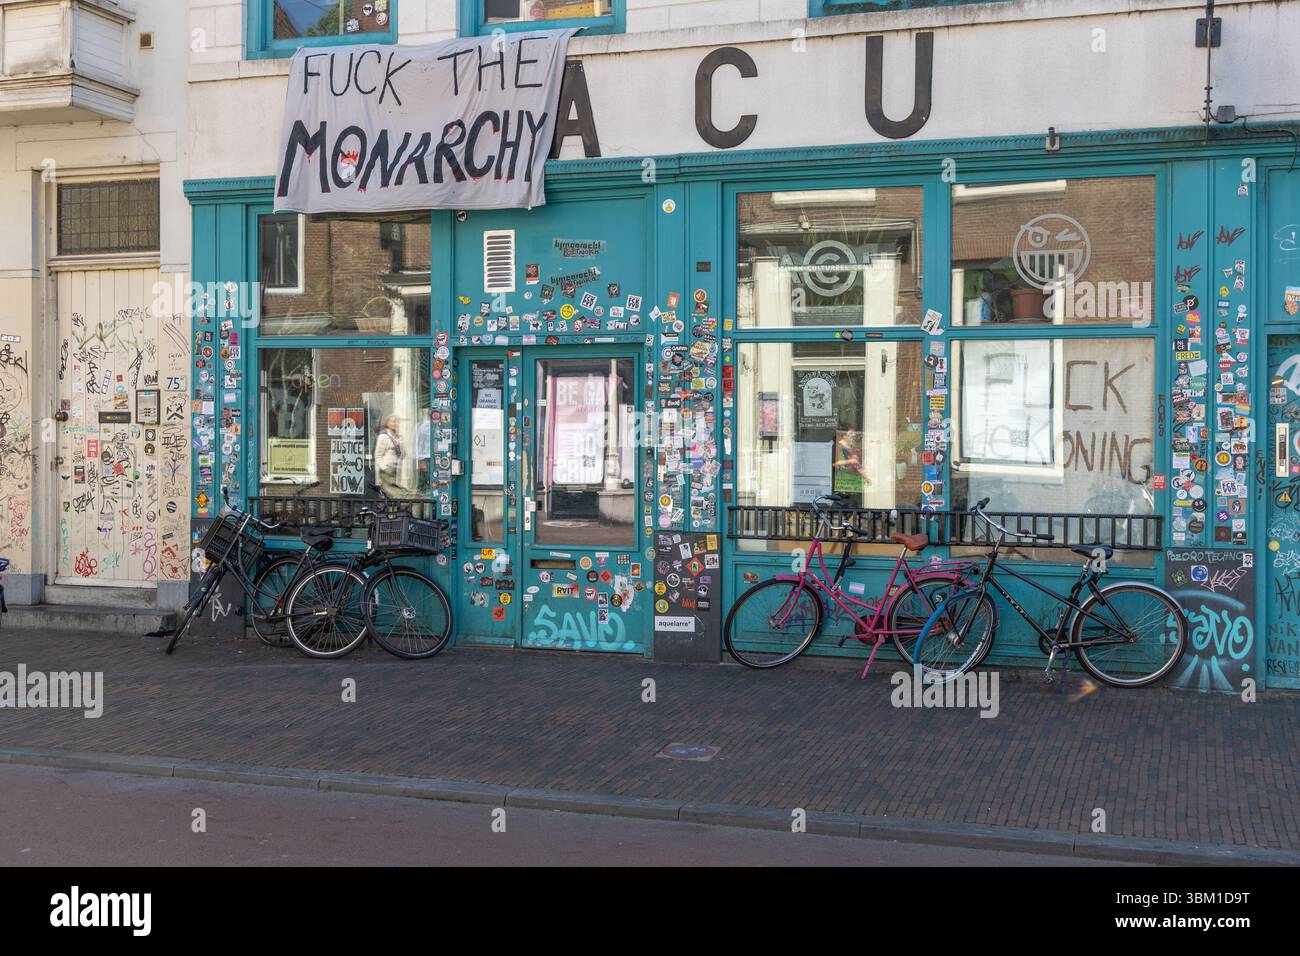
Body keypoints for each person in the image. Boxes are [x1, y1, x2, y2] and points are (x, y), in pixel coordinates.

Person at [374, 415, 406, 498]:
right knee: (392, 495)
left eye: (397, 422)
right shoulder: (383, 437)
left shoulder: (398, 437)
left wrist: (400, 444)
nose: (395, 423)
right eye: (393, 421)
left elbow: (403, 455)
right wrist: (385, 468)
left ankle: (392, 510)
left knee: (393, 496)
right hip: (387, 471)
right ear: (387, 423)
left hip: (396, 470)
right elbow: (378, 456)